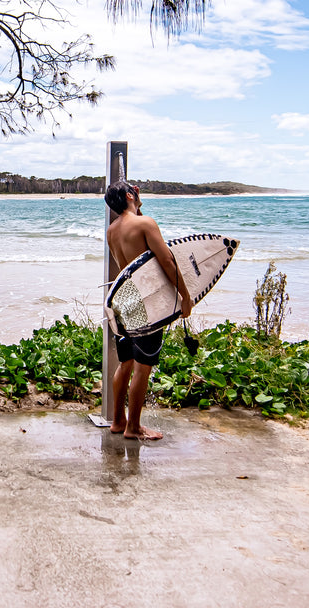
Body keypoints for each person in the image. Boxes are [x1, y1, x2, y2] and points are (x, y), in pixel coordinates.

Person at [104, 180, 192, 440]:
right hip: (146, 301)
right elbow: (166, 260)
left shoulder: (112, 229)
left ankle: (119, 421)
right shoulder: (146, 223)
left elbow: (134, 258)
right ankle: (134, 428)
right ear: (131, 195)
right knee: (143, 367)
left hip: (125, 298)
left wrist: (134, 203)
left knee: (126, 362)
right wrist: (184, 297)